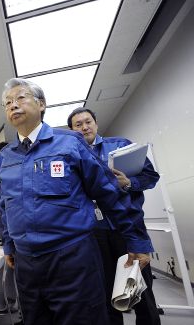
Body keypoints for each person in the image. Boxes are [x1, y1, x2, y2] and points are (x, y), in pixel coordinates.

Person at [0, 78, 153, 325]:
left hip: (72, 258)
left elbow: (108, 191)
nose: (13, 105)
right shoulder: (5, 158)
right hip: (27, 265)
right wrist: (8, 246)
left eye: (21, 98)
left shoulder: (69, 142)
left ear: (42, 104)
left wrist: (136, 240)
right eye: (7, 103)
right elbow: (4, 206)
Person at [68, 107, 161, 325]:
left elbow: (150, 176)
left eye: (88, 122)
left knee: (141, 290)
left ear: (96, 123)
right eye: (78, 125)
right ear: (72, 131)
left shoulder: (120, 145)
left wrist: (129, 183)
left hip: (128, 228)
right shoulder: (72, 156)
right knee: (107, 292)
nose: (84, 127)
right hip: (95, 233)